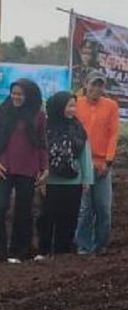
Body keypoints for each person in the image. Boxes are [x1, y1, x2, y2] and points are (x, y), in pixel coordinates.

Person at [36, 92, 94, 259]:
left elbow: (85, 154)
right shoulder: (46, 128)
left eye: (74, 106)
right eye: (69, 106)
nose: (72, 110)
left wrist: (87, 180)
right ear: (58, 107)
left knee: (69, 217)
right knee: (47, 216)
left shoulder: (77, 128)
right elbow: (40, 153)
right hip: (50, 180)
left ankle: (63, 250)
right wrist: (40, 179)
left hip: (73, 181)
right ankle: (44, 250)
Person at [0, 79, 48, 263]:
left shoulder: (38, 115)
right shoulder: (3, 111)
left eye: (20, 94)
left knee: (23, 210)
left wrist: (45, 168)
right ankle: (2, 252)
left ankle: (19, 251)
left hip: (28, 168)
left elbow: (42, 144)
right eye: (14, 93)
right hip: (4, 167)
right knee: (1, 206)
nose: (16, 97)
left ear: (29, 96)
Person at [75, 70, 120, 255]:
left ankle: (101, 244)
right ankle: (83, 245)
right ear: (86, 84)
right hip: (82, 164)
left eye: (100, 85)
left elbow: (113, 133)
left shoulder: (111, 106)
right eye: (93, 84)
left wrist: (108, 161)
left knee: (103, 207)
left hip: (103, 164)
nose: (96, 88)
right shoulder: (76, 104)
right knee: (85, 208)